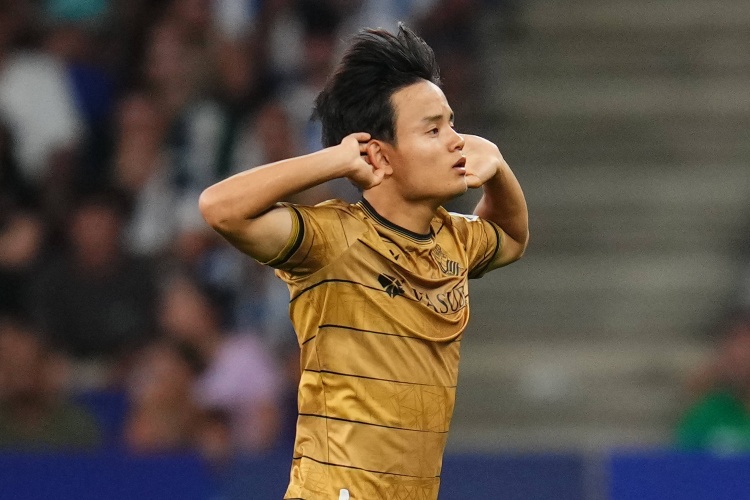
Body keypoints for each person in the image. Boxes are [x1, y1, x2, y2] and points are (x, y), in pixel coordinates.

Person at [199, 24, 528, 500]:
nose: (457, 141)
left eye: (452, 124)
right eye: (433, 130)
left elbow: (512, 237)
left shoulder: (454, 240)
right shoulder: (332, 239)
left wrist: (497, 167)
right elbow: (219, 208)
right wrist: (333, 160)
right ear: (378, 154)